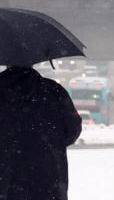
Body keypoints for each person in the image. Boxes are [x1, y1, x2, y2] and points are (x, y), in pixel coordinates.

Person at [0, 65, 82, 200]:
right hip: (47, 176)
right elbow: (72, 129)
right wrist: (49, 143)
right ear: (32, 62)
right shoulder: (53, 90)